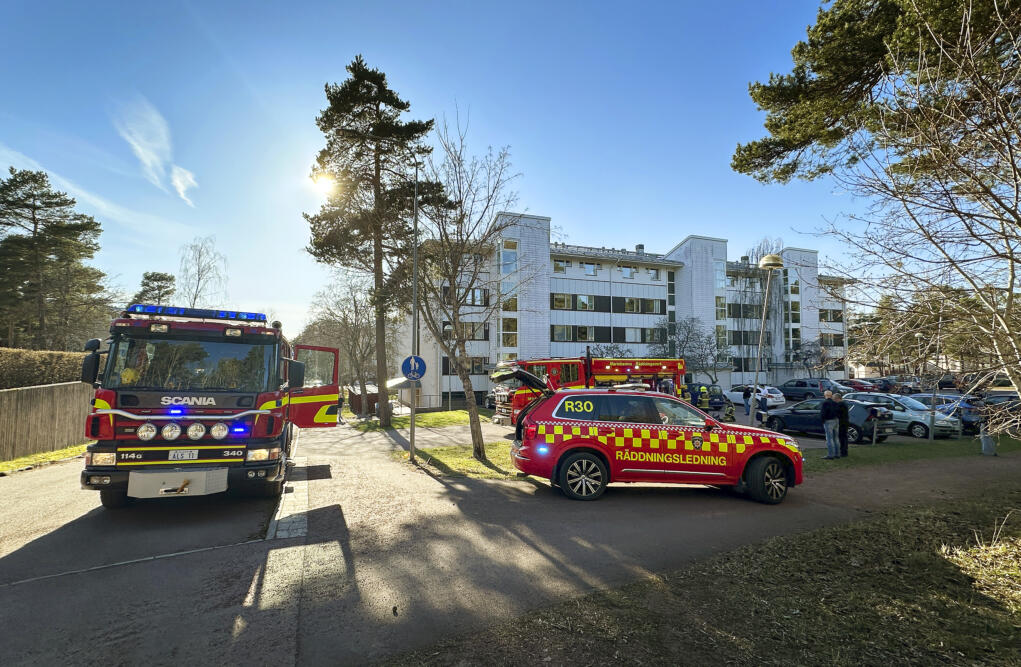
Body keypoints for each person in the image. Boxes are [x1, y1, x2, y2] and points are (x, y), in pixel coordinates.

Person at [820, 390, 840, 459]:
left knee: (829, 438)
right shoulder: (835, 403)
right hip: (836, 420)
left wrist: (823, 421)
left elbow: (823, 413)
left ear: (825, 395)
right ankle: (837, 454)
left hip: (828, 421)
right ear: (831, 396)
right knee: (836, 438)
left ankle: (831, 455)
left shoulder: (825, 403)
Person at [835, 392, 849, 457]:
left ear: (837, 398)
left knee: (842, 438)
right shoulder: (844, 404)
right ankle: (844, 451)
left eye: (834, 399)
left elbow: (837, 413)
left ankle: (843, 452)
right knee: (844, 437)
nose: (834, 401)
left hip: (842, 423)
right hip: (845, 422)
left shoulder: (840, 404)